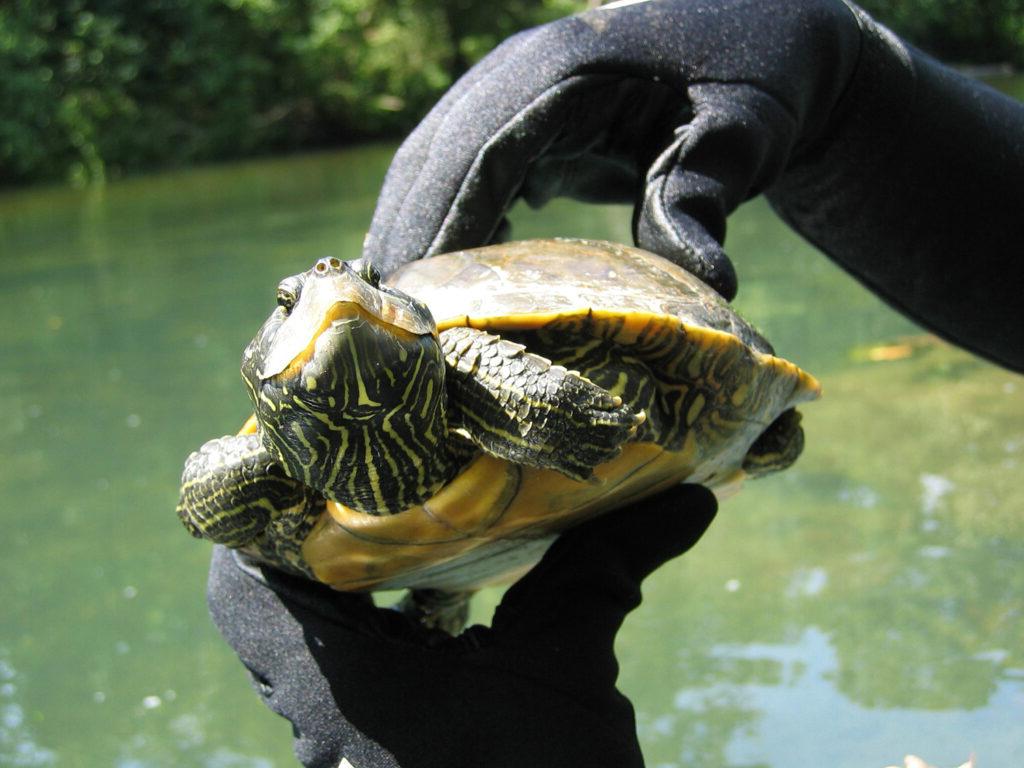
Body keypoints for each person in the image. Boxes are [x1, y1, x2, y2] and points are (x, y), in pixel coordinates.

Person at [207, 1, 1024, 766]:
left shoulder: (459, 362)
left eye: (356, 281)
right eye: (295, 300)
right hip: (457, 557)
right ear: (263, 373)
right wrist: (857, 92)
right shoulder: (277, 466)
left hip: (623, 422)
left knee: (762, 433)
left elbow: (498, 365)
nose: (331, 282)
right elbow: (209, 500)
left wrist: (846, 77)